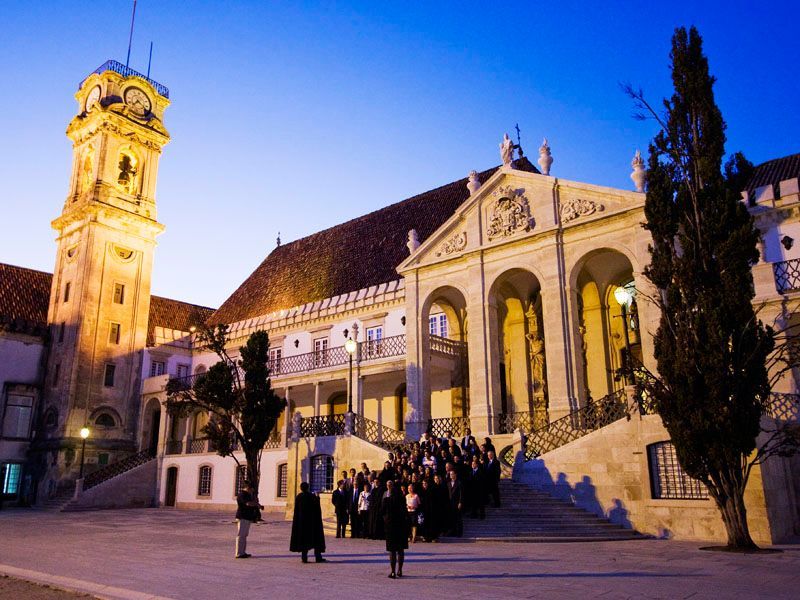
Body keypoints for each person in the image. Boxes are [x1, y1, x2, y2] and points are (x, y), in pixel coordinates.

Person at [290, 482, 327, 563]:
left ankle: (304, 557)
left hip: (302, 523)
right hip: (312, 523)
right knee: (316, 539)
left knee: (304, 540)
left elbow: (296, 511)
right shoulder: (312, 496)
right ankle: (318, 557)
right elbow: (317, 508)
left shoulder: (299, 497)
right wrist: (318, 497)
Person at [381, 480, 408, 579]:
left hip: (390, 527)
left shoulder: (386, 500)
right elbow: (405, 512)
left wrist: (386, 520)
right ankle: (400, 570)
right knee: (400, 550)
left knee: (392, 550)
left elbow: (382, 512)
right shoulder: (402, 499)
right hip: (401, 526)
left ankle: (393, 572)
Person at [235, 480, 263, 559]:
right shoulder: (242, 494)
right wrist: (256, 504)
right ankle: (239, 553)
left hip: (247, 517)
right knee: (241, 535)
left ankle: (242, 552)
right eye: (251, 488)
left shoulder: (248, 494)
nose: (252, 490)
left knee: (244, 535)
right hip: (242, 517)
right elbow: (248, 503)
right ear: (247, 487)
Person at [447, 470, 464, 537]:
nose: (451, 475)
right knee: (452, 518)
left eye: (452, 474)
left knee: (458, 518)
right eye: (450, 474)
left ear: (455, 474)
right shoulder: (448, 483)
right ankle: (452, 532)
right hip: (450, 504)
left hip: (457, 503)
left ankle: (459, 533)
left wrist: (460, 502)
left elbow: (461, 494)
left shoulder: (459, 483)